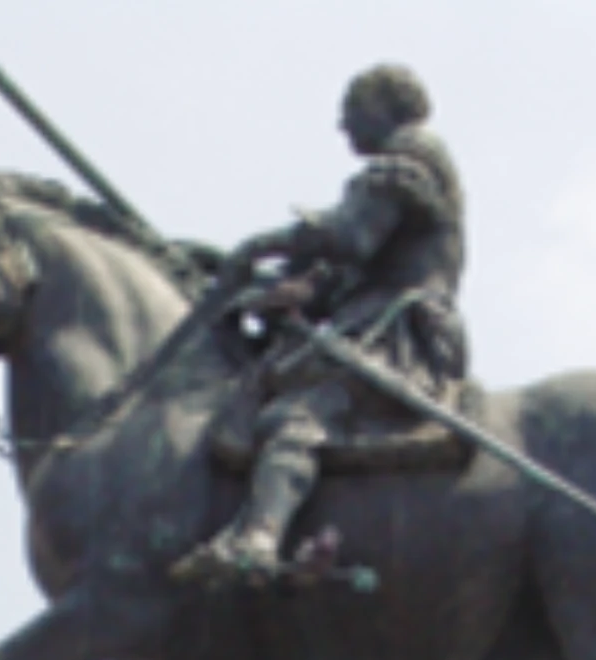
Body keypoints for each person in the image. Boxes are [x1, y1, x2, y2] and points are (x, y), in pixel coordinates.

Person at [171, 64, 468, 584]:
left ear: (385, 109)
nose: (342, 125)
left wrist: (263, 242)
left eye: (352, 110)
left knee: (300, 414)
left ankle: (258, 540)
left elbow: (351, 237)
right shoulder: (404, 172)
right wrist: (281, 289)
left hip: (399, 333)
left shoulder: (405, 164)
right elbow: (345, 270)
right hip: (373, 319)